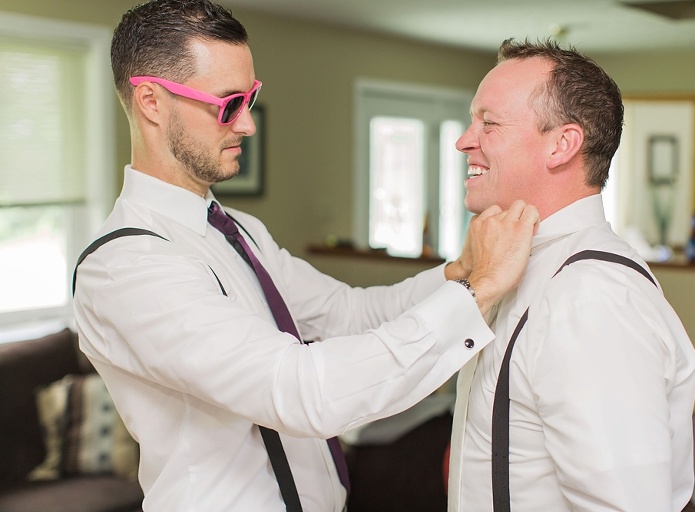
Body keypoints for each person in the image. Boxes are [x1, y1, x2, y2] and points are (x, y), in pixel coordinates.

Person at [72, 1, 539, 511]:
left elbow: (348, 314)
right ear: (151, 102)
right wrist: (481, 293)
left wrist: (459, 274)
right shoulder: (125, 267)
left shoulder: (239, 231)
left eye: (250, 98)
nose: (248, 124)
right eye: (229, 104)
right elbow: (299, 391)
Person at [446, 38, 695, 512]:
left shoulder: (592, 297)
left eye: (489, 122)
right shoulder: (518, 268)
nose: (464, 139)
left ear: (562, 144)